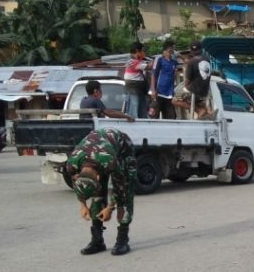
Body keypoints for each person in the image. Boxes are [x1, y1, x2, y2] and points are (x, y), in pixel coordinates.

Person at [66, 128, 137, 256]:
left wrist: (109, 208)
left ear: (98, 177)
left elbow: (120, 187)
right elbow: (78, 185)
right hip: (97, 154)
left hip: (123, 150)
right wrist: (82, 205)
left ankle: (122, 240)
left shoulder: (110, 162)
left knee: (124, 196)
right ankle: (97, 241)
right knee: (97, 198)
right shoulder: (72, 164)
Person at [174, 46, 215, 120]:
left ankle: (199, 110)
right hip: (204, 90)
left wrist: (185, 87)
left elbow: (187, 80)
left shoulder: (191, 63)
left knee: (175, 100)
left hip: (194, 90)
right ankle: (208, 111)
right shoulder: (206, 60)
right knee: (197, 101)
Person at [150, 40, 179, 119]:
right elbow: (153, 74)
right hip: (158, 93)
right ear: (169, 49)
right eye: (173, 48)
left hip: (169, 94)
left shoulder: (174, 62)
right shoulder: (159, 59)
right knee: (154, 116)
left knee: (171, 117)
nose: (174, 51)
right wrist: (153, 90)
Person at [123, 42, 150, 119]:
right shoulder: (135, 62)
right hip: (134, 91)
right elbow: (149, 66)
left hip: (138, 91)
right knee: (134, 114)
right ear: (137, 51)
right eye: (142, 51)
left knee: (141, 114)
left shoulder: (131, 61)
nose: (143, 53)